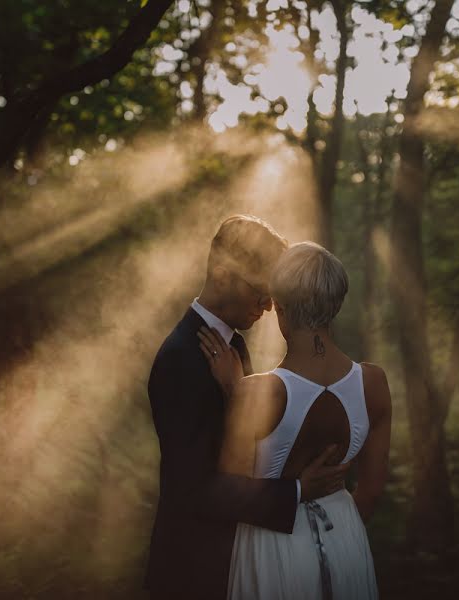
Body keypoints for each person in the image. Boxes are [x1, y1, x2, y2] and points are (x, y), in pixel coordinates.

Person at [145, 216, 349, 600]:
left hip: (238, 562)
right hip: (196, 571)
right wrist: (298, 490)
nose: (270, 306)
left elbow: (244, 448)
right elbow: (193, 490)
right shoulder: (181, 358)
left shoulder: (233, 346)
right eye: (261, 291)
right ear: (223, 274)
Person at [197, 241, 392, 599]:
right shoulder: (374, 383)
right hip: (347, 541)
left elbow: (228, 495)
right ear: (335, 305)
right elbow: (372, 490)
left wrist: (233, 393)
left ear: (281, 311)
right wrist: (340, 536)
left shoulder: (257, 393)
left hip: (272, 548)